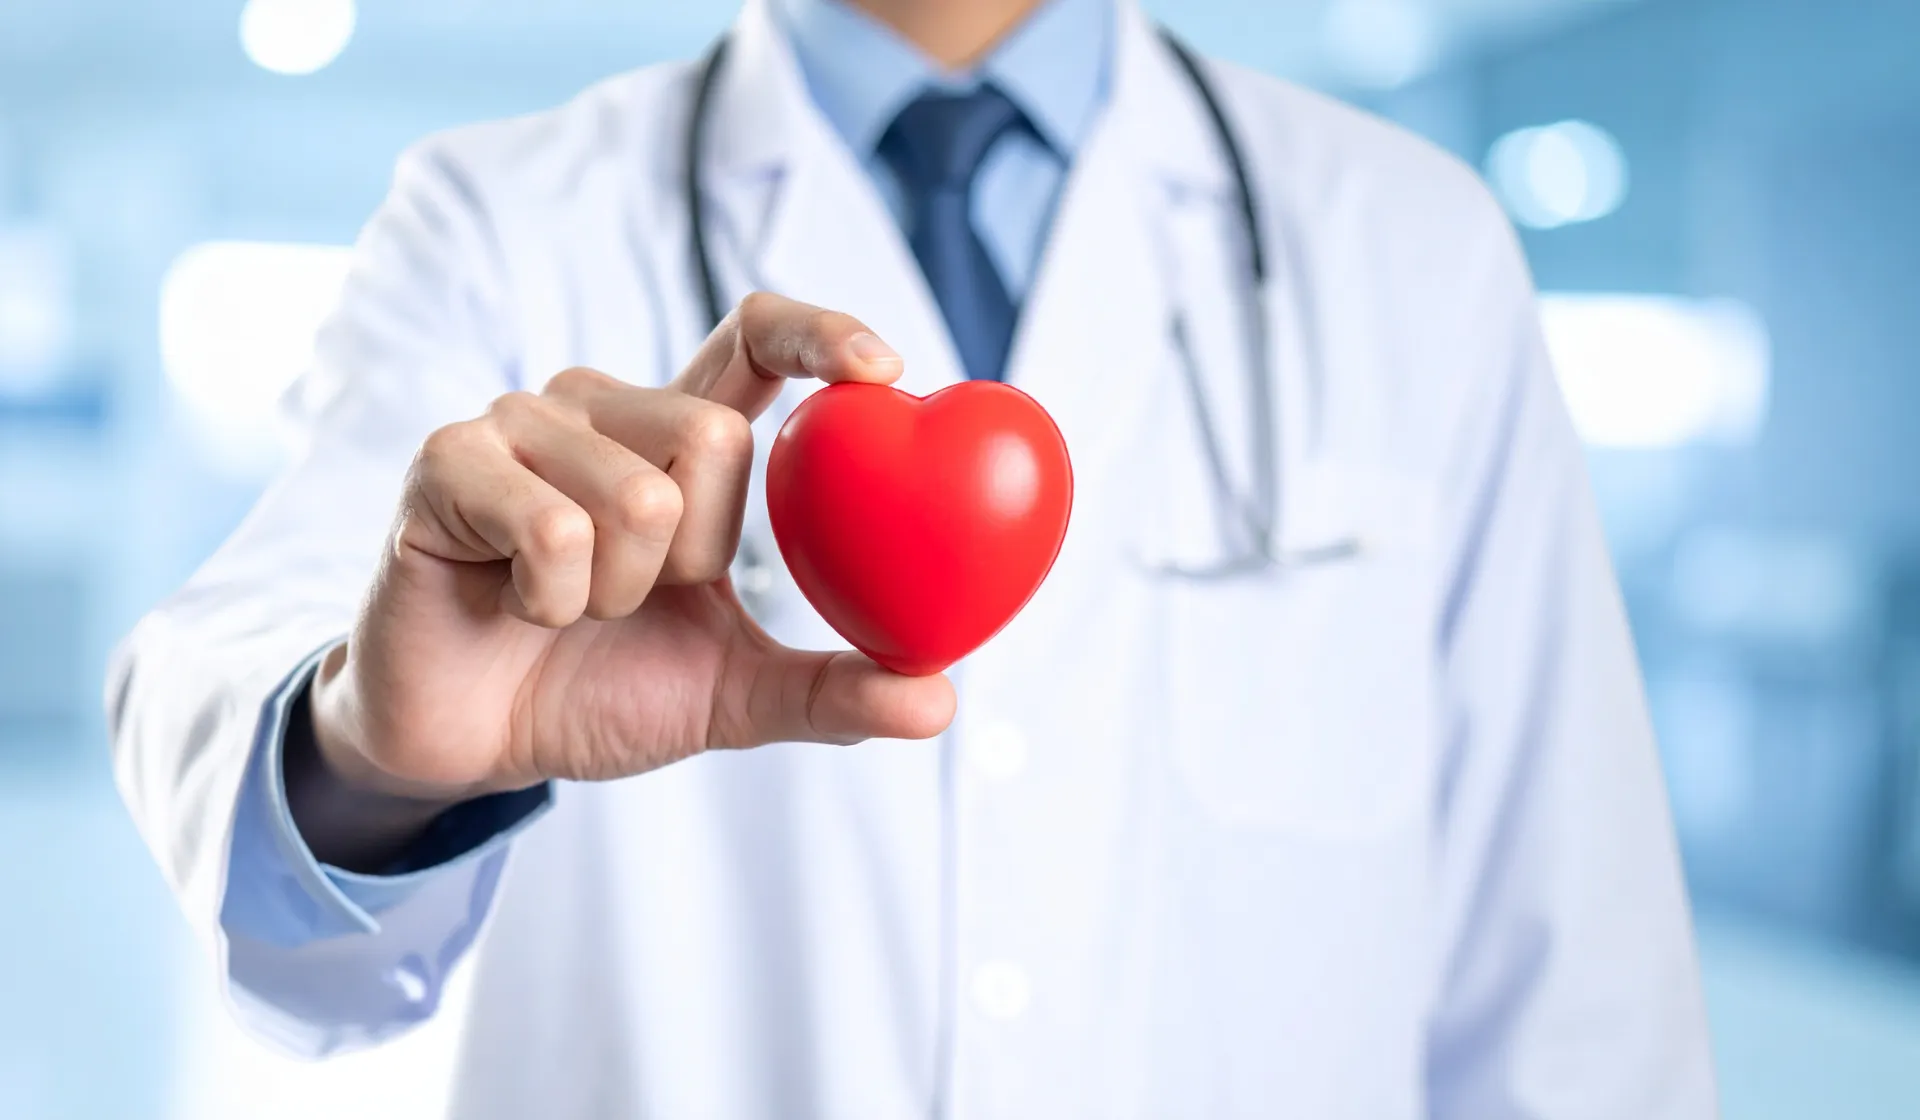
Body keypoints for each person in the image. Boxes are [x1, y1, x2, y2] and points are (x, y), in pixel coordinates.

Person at [107, 0, 1718, 1114]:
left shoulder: (1412, 249)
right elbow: (227, 671)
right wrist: (374, 763)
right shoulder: (495, 220)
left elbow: (1580, 1006)